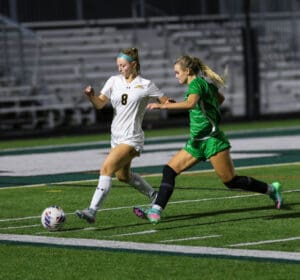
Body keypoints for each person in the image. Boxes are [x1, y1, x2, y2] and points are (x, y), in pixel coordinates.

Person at [133, 55, 283, 225]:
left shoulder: (196, 84)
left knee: (231, 181)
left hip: (212, 140)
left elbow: (190, 104)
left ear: (187, 71)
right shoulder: (205, 84)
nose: (176, 76)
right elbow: (220, 99)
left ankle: (271, 189)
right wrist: (207, 107)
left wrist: (164, 105)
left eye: (177, 72)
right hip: (197, 141)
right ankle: (156, 210)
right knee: (169, 170)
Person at [76, 47, 172, 223]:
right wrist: (91, 96)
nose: (120, 68)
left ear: (133, 64)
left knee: (106, 168)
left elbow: (166, 101)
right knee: (123, 176)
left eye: (123, 65)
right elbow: (99, 104)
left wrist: (170, 105)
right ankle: (155, 196)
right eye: (118, 65)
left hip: (132, 138)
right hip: (116, 138)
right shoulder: (113, 81)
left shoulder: (146, 84)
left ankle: (92, 211)